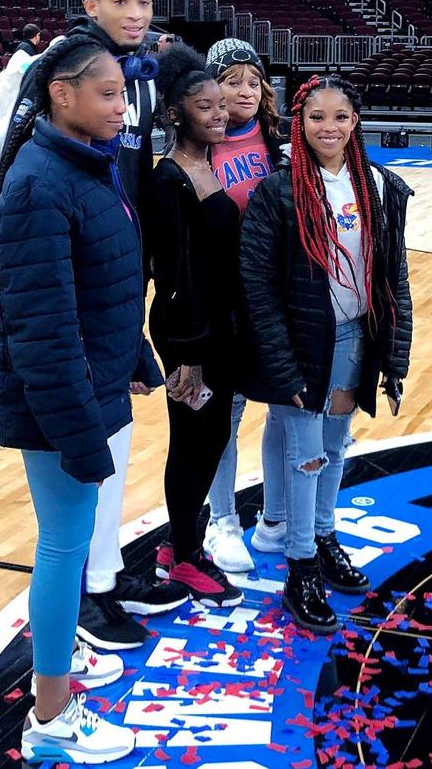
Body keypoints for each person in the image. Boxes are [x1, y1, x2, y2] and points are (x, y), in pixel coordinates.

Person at [0, 35, 165, 764]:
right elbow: (43, 335)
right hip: (55, 399)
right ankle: (50, 715)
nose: (123, 105)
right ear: (62, 94)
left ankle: (59, 662)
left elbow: (102, 281)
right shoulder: (42, 182)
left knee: (70, 543)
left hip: (81, 385)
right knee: (63, 547)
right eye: (109, 93)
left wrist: (136, 353)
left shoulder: (82, 161)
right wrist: (83, 440)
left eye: (123, 92)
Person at [8, 0, 186, 650]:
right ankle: (80, 596)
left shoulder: (142, 76)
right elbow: (21, 170)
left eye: (143, 0)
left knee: (116, 440)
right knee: (86, 451)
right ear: (90, 6)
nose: (135, 12)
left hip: (120, 277)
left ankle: (108, 576)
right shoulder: (62, 67)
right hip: (71, 275)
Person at [240, 75, 412, 632]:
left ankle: (321, 532)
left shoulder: (380, 187)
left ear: (356, 122)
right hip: (301, 342)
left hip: (354, 336)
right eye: (317, 117)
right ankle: (300, 565)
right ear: (299, 122)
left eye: (340, 117)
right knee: (305, 454)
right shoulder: (278, 191)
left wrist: (395, 353)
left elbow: (394, 277)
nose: (329, 127)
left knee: (335, 447)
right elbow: (257, 287)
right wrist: (279, 360)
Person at [146, 46, 244, 606]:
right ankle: (183, 558)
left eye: (221, 105)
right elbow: (173, 274)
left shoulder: (210, 163)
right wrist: (188, 353)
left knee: (210, 439)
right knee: (194, 441)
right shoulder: (169, 180)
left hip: (217, 325)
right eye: (205, 107)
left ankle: (178, 543)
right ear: (178, 114)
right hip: (189, 332)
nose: (219, 114)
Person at [199, 37, 288, 575]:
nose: (246, 91)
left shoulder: (281, 140)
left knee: (285, 404)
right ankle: (222, 519)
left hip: (275, 298)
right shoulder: (194, 144)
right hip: (224, 300)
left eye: (253, 81)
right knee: (224, 415)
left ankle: (277, 518)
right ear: (212, 87)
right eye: (232, 81)